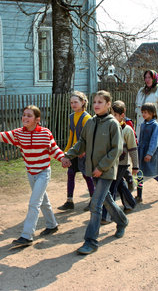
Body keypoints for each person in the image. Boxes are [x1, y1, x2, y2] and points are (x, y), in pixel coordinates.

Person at [0, 105, 64, 246]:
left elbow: (54, 149)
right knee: (42, 201)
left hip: (43, 172)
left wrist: (63, 159)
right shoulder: (18, 134)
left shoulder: (45, 133)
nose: (25, 118)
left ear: (37, 119)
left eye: (29, 115)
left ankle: (27, 236)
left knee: (34, 203)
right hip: (31, 173)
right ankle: (52, 224)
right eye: (24, 115)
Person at [61, 90, 129, 255]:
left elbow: (116, 150)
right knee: (107, 201)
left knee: (95, 204)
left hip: (105, 172)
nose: (96, 105)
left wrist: (101, 167)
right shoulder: (90, 123)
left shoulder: (113, 124)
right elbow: (81, 143)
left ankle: (91, 242)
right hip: (93, 170)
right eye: (95, 102)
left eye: (100, 102)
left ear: (108, 105)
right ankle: (122, 221)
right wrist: (68, 155)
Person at [102, 100, 139, 223]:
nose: (112, 117)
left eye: (115, 115)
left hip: (122, 164)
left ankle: (107, 216)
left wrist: (135, 166)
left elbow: (133, 149)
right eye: (110, 115)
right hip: (110, 163)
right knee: (120, 185)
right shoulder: (108, 127)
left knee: (111, 187)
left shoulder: (127, 130)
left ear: (122, 115)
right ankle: (130, 203)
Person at [58, 91, 95, 211]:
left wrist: (84, 151)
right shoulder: (71, 116)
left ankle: (93, 200)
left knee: (87, 175)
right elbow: (71, 135)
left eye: (76, 102)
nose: (73, 105)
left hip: (83, 153)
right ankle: (69, 201)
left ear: (83, 102)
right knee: (70, 174)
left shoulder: (87, 118)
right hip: (74, 151)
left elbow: (89, 137)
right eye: (71, 102)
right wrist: (67, 151)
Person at [135, 103, 158, 203]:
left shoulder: (155, 125)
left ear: (152, 113)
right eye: (142, 112)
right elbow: (140, 139)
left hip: (151, 152)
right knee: (139, 174)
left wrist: (149, 153)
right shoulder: (142, 124)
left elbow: (154, 140)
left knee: (152, 172)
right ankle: (139, 196)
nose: (143, 114)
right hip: (141, 151)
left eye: (145, 112)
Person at [135, 69, 158, 148]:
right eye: (146, 77)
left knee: (153, 146)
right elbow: (137, 108)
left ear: (154, 78)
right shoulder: (141, 91)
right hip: (141, 124)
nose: (147, 80)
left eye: (150, 77)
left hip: (154, 124)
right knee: (140, 146)